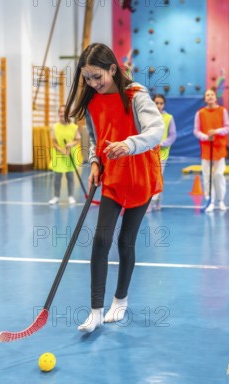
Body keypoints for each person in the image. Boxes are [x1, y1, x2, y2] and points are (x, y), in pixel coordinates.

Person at [64, 43, 163, 333]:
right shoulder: (92, 103)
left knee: (125, 242)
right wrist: (95, 161)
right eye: (87, 78)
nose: (93, 84)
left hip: (140, 176)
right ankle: (95, 311)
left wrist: (130, 143)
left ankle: (120, 300)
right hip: (113, 178)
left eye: (98, 76)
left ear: (112, 69)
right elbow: (97, 139)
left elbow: (156, 131)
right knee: (100, 241)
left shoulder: (136, 95)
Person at [193, 88, 229, 213]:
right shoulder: (200, 113)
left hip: (219, 148)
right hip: (206, 148)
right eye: (207, 95)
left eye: (212, 94)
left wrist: (217, 131)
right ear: (205, 98)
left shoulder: (222, 111)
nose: (209, 97)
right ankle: (210, 201)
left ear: (215, 97)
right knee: (207, 176)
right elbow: (196, 131)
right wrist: (206, 137)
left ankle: (220, 201)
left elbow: (227, 127)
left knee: (219, 175)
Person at [147, 94, 176, 212]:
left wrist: (162, 144)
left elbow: (173, 135)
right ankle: (149, 202)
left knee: (158, 178)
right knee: (149, 179)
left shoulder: (169, 117)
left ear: (164, 104)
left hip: (162, 154)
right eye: (156, 103)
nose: (158, 105)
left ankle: (156, 201)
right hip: (148, 153)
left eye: (161, 103)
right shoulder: (148, 117)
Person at [48, 105, 81, 205]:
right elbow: (54, 142)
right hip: (59, 154)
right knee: (57, 178)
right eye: (61, 112)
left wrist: (70, 144)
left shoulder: (74, 127)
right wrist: (61, 150)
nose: (62, 114)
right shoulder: (54, 127)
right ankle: (56, 197)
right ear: (58, 114)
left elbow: (78, 139)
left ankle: (70, 196)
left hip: (70, 154)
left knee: (70, 177)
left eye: (64, 112)